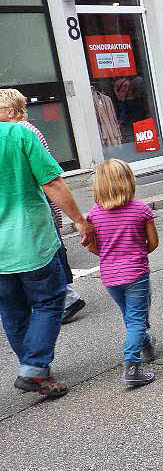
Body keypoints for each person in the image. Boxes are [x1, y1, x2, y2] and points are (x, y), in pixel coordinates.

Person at [0, 120, 95, 398]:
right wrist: (79, 220)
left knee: (12, 311)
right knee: (50, 300)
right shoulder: (18, 135)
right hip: (29, 240)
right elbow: (52, 182)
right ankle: (34, 368)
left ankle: (34, 368)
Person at [0, 88, 85, 324]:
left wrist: (74, 217)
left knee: (52, 253)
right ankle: (64, 297)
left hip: (40, 208)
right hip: (39, 208)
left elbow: (48, 178)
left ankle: (66, 298)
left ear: (10, 111)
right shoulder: (22, 131)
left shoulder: (23, 132)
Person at [84, 160, 159, 388]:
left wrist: (111, 256)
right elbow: (153, 243)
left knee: (130, 315)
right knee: (137, 317)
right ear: (128, 181)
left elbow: (91, 246)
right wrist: (134, 254)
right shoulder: (141, 210)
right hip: (136, 273)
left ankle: (145, 341)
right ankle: (132, 365)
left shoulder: (94, 215)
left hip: (110, 276)